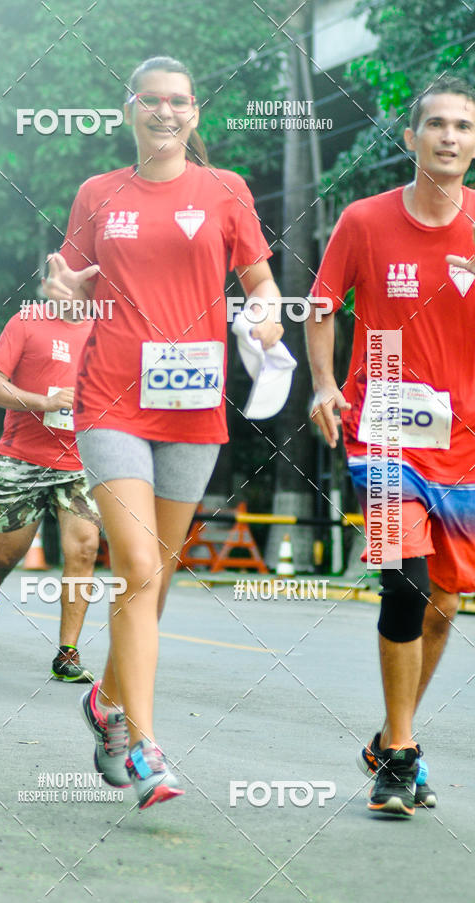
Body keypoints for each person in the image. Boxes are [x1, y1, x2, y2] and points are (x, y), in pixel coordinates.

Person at [44, 56, 283, 809]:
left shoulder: (226, 192)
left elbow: (260, 281)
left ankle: (107, 700)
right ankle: (146, 748)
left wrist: (270, 308)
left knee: (159, 576)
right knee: (138, 564)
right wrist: (60, 288)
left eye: (179, 101)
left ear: (195, 114)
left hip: (194, 405)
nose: (166, 112)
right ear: (130, 110)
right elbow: (66, 285)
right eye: (152, 101)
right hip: (110, 398)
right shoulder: (98, 193)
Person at [306, 75, 475, 816]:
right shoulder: (365, 221)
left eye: (463, 126)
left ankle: (388, 736)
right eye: (435, 124)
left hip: (464, 444)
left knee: (442, 599)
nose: (449, 137)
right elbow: (320, 304)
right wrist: (321, 383)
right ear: (409, 139)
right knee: (403, 583)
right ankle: (401, 758)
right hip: (381, 431)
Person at [0, 302, 100, 682]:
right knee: (8, 554)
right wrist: (44, 402)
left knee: (85, 548)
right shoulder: (28, 320)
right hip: (22, 459)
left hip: (79, 462)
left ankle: (67, 653)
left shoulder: (104, 327)